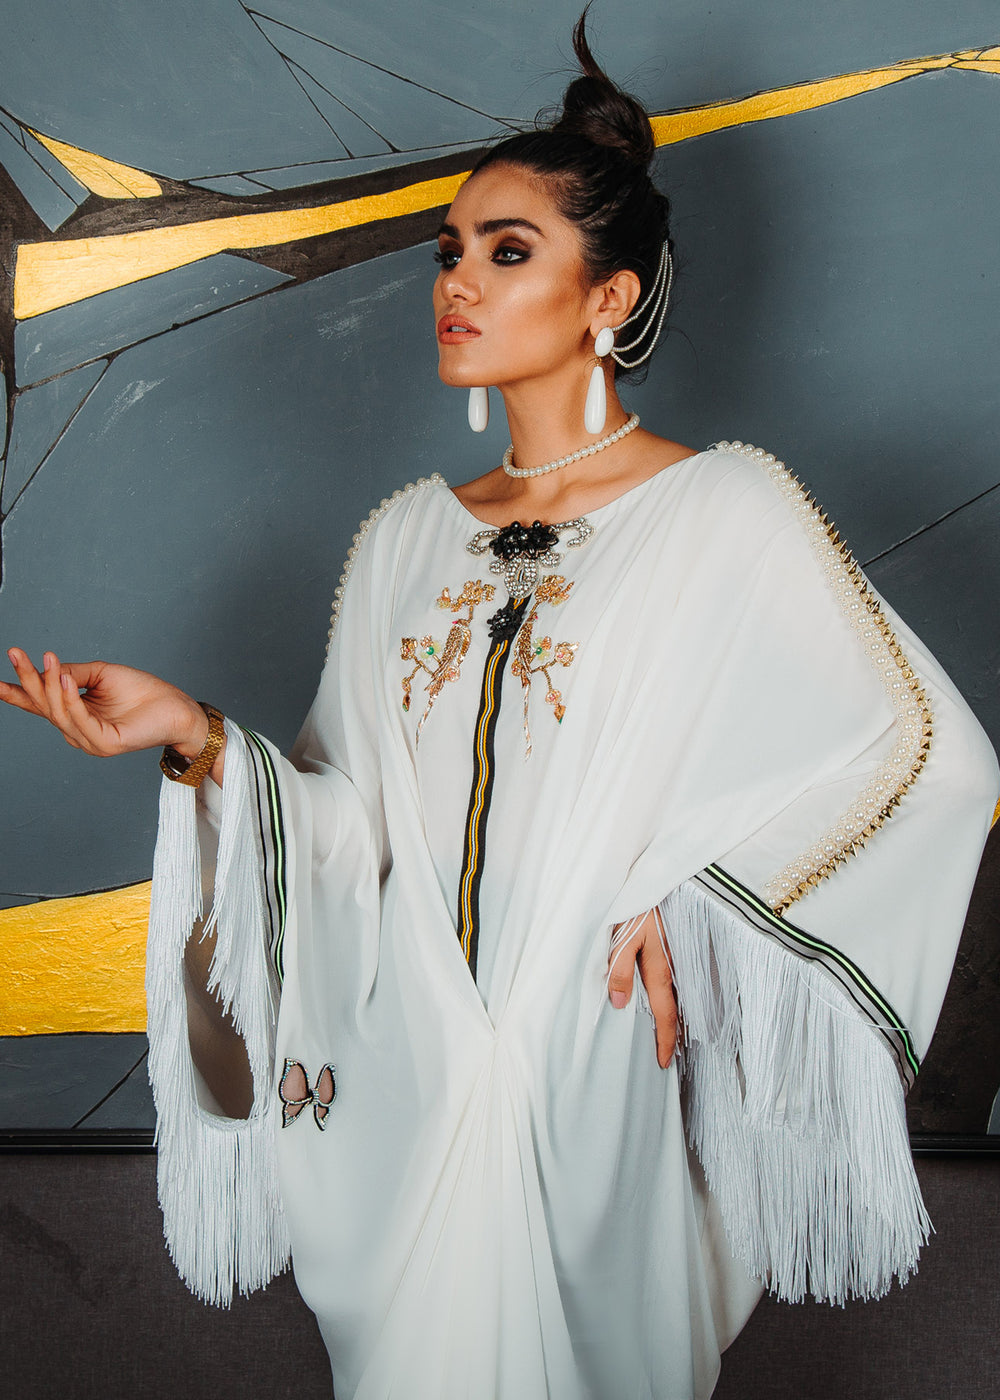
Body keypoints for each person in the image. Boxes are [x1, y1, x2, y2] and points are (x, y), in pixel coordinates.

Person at [2, 16, 997, 1400]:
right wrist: (197, 736)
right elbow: (350, 832)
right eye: (450, 251)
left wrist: (697, 905)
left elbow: (923, 756)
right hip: (402, 1069)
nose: (458, 281)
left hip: (593, 1055)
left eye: (507, 251)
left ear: (610, 296)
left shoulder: (727, 510)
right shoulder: (401, 539)